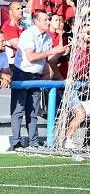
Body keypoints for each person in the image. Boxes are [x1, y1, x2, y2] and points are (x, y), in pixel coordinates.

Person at [10, 11, 64, 149]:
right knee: (19, 109)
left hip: (36, 76)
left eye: (48, 19)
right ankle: (16, 141)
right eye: (45, 19)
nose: (48, 22)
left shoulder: (48, 37)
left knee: (33, 110)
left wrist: (60, 52)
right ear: (36, 21)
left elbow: (48, 60)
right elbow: (31, 57)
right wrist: (52, 51)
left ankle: (33, 141)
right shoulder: (29, 34)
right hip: (22, 74)